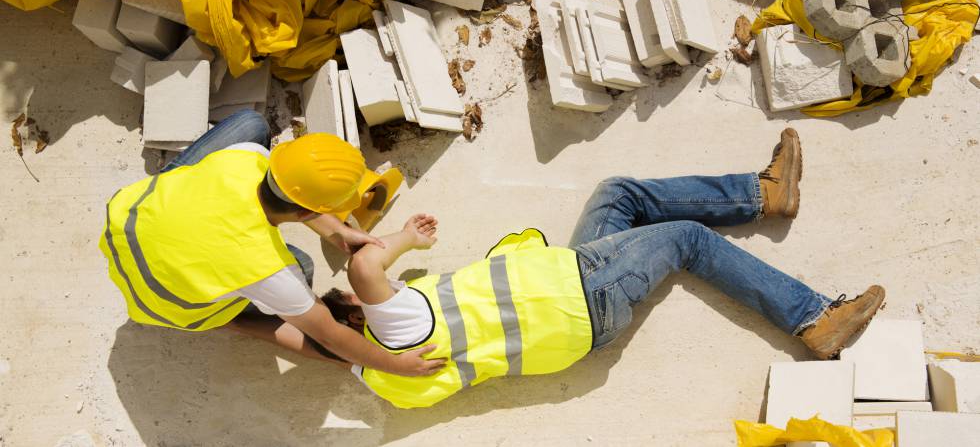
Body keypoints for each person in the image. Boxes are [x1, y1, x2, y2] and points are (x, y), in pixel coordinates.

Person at [327, 128, 885, 408]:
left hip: (573, 295)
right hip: (583, 293)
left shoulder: (384, 380)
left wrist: (288, 327)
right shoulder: (396, 326)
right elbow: (366, 269)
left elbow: (311, 339)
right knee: (688, 239)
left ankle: (765, 194)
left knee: (617, 194)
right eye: (358, 304)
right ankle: (813, 319)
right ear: (358, 319)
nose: (378, 291)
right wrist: (403, 238)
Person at [98, 109, 445, 377]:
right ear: (310, 210)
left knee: (250, 123)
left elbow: (292, 197)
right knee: (304, 269)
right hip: (163, 302)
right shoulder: (271, 271)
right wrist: (394, 365)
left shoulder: (245, 157)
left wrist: (337, 231)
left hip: (127, 221)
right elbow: (329, 337)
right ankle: (224, 318)